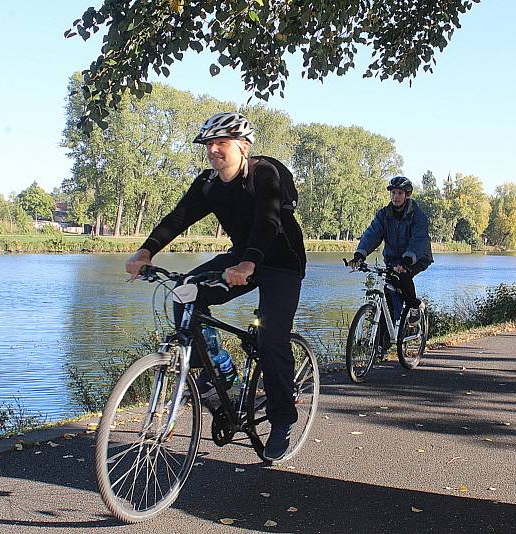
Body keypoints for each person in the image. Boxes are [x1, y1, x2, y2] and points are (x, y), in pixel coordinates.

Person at [125, 111, 307, 462]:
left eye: (221, 143)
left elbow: (268, 221)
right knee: (184, 293)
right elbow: (177, 219)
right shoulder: (207, 184)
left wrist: (249, 263)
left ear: (243, 146)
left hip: (281, 262)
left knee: (272, 337)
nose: (214, 151)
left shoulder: (263, 173)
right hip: (241, 258)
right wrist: (145, 251)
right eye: (209, 144)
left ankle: (283, 419)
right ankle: (222, 377)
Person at [349, 176, 433, 323]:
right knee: (388, 291)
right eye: (393, 193)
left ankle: (414, 307)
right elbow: (372, 234)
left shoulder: (417, 216)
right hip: (393, 260)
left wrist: (407, 260)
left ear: (407, 195)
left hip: (417, 257)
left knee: (404, 275)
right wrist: (359, 255)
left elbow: (419, 240)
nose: (395, 197)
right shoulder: (384, 214)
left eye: (400, 193)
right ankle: (383, 341)